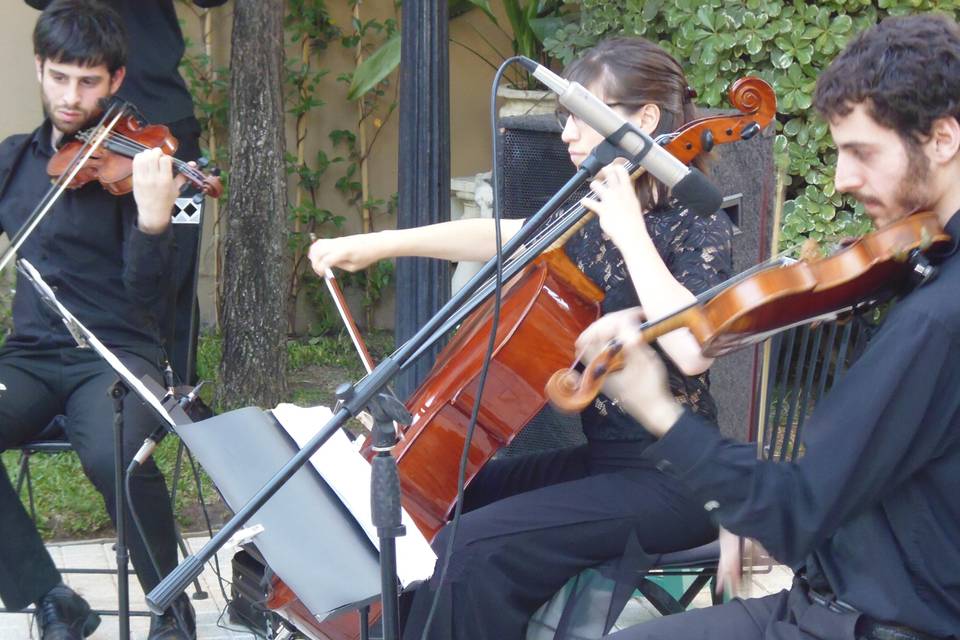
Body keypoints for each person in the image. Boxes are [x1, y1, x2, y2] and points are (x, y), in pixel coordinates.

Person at [309, 37, 734, 639]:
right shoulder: (589, 214)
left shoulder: (698, 221)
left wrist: (632, 234)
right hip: (607, 461)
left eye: (582, 117)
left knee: (471, 546)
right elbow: (504, 234)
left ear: (644, 121)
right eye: (566, 118)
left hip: (678, 481)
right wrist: (375, 245)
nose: (566, 134)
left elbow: (694, 347)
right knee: (446, 498)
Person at [580, 13, 960, 640]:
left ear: (942, 139)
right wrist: (747, 492)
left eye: (862, 153)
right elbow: (853, 472)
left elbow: (795, 512)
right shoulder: (924, 269)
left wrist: (659, 411)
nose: (842, 180)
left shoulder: (938, 318)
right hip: (838, 592)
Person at [0, 1, 195, 639]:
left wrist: (153, 219)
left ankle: (170, 608)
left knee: (114, 456)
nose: (71, 96)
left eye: (88, 82)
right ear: (40, 69)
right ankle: (51, 597)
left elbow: (148, 298)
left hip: (113, 356)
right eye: (59, 77)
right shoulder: (13, 162)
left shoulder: (142, 166)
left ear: (116, 81)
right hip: (30, 354)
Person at [24, 0, 229, 385]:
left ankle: (177, 386)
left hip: (161, 121)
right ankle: (73, 383)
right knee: (79, 259)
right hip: (85, 132)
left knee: (176, 257)